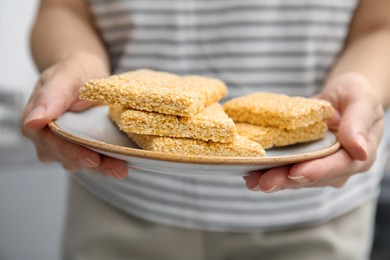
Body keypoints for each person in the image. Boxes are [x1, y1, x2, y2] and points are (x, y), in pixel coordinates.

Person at [22, 0, 390, 259]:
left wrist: (364, 84)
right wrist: (75, 60)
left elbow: (381, 25)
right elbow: (63, 8)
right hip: (119, 199)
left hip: (312, 219)